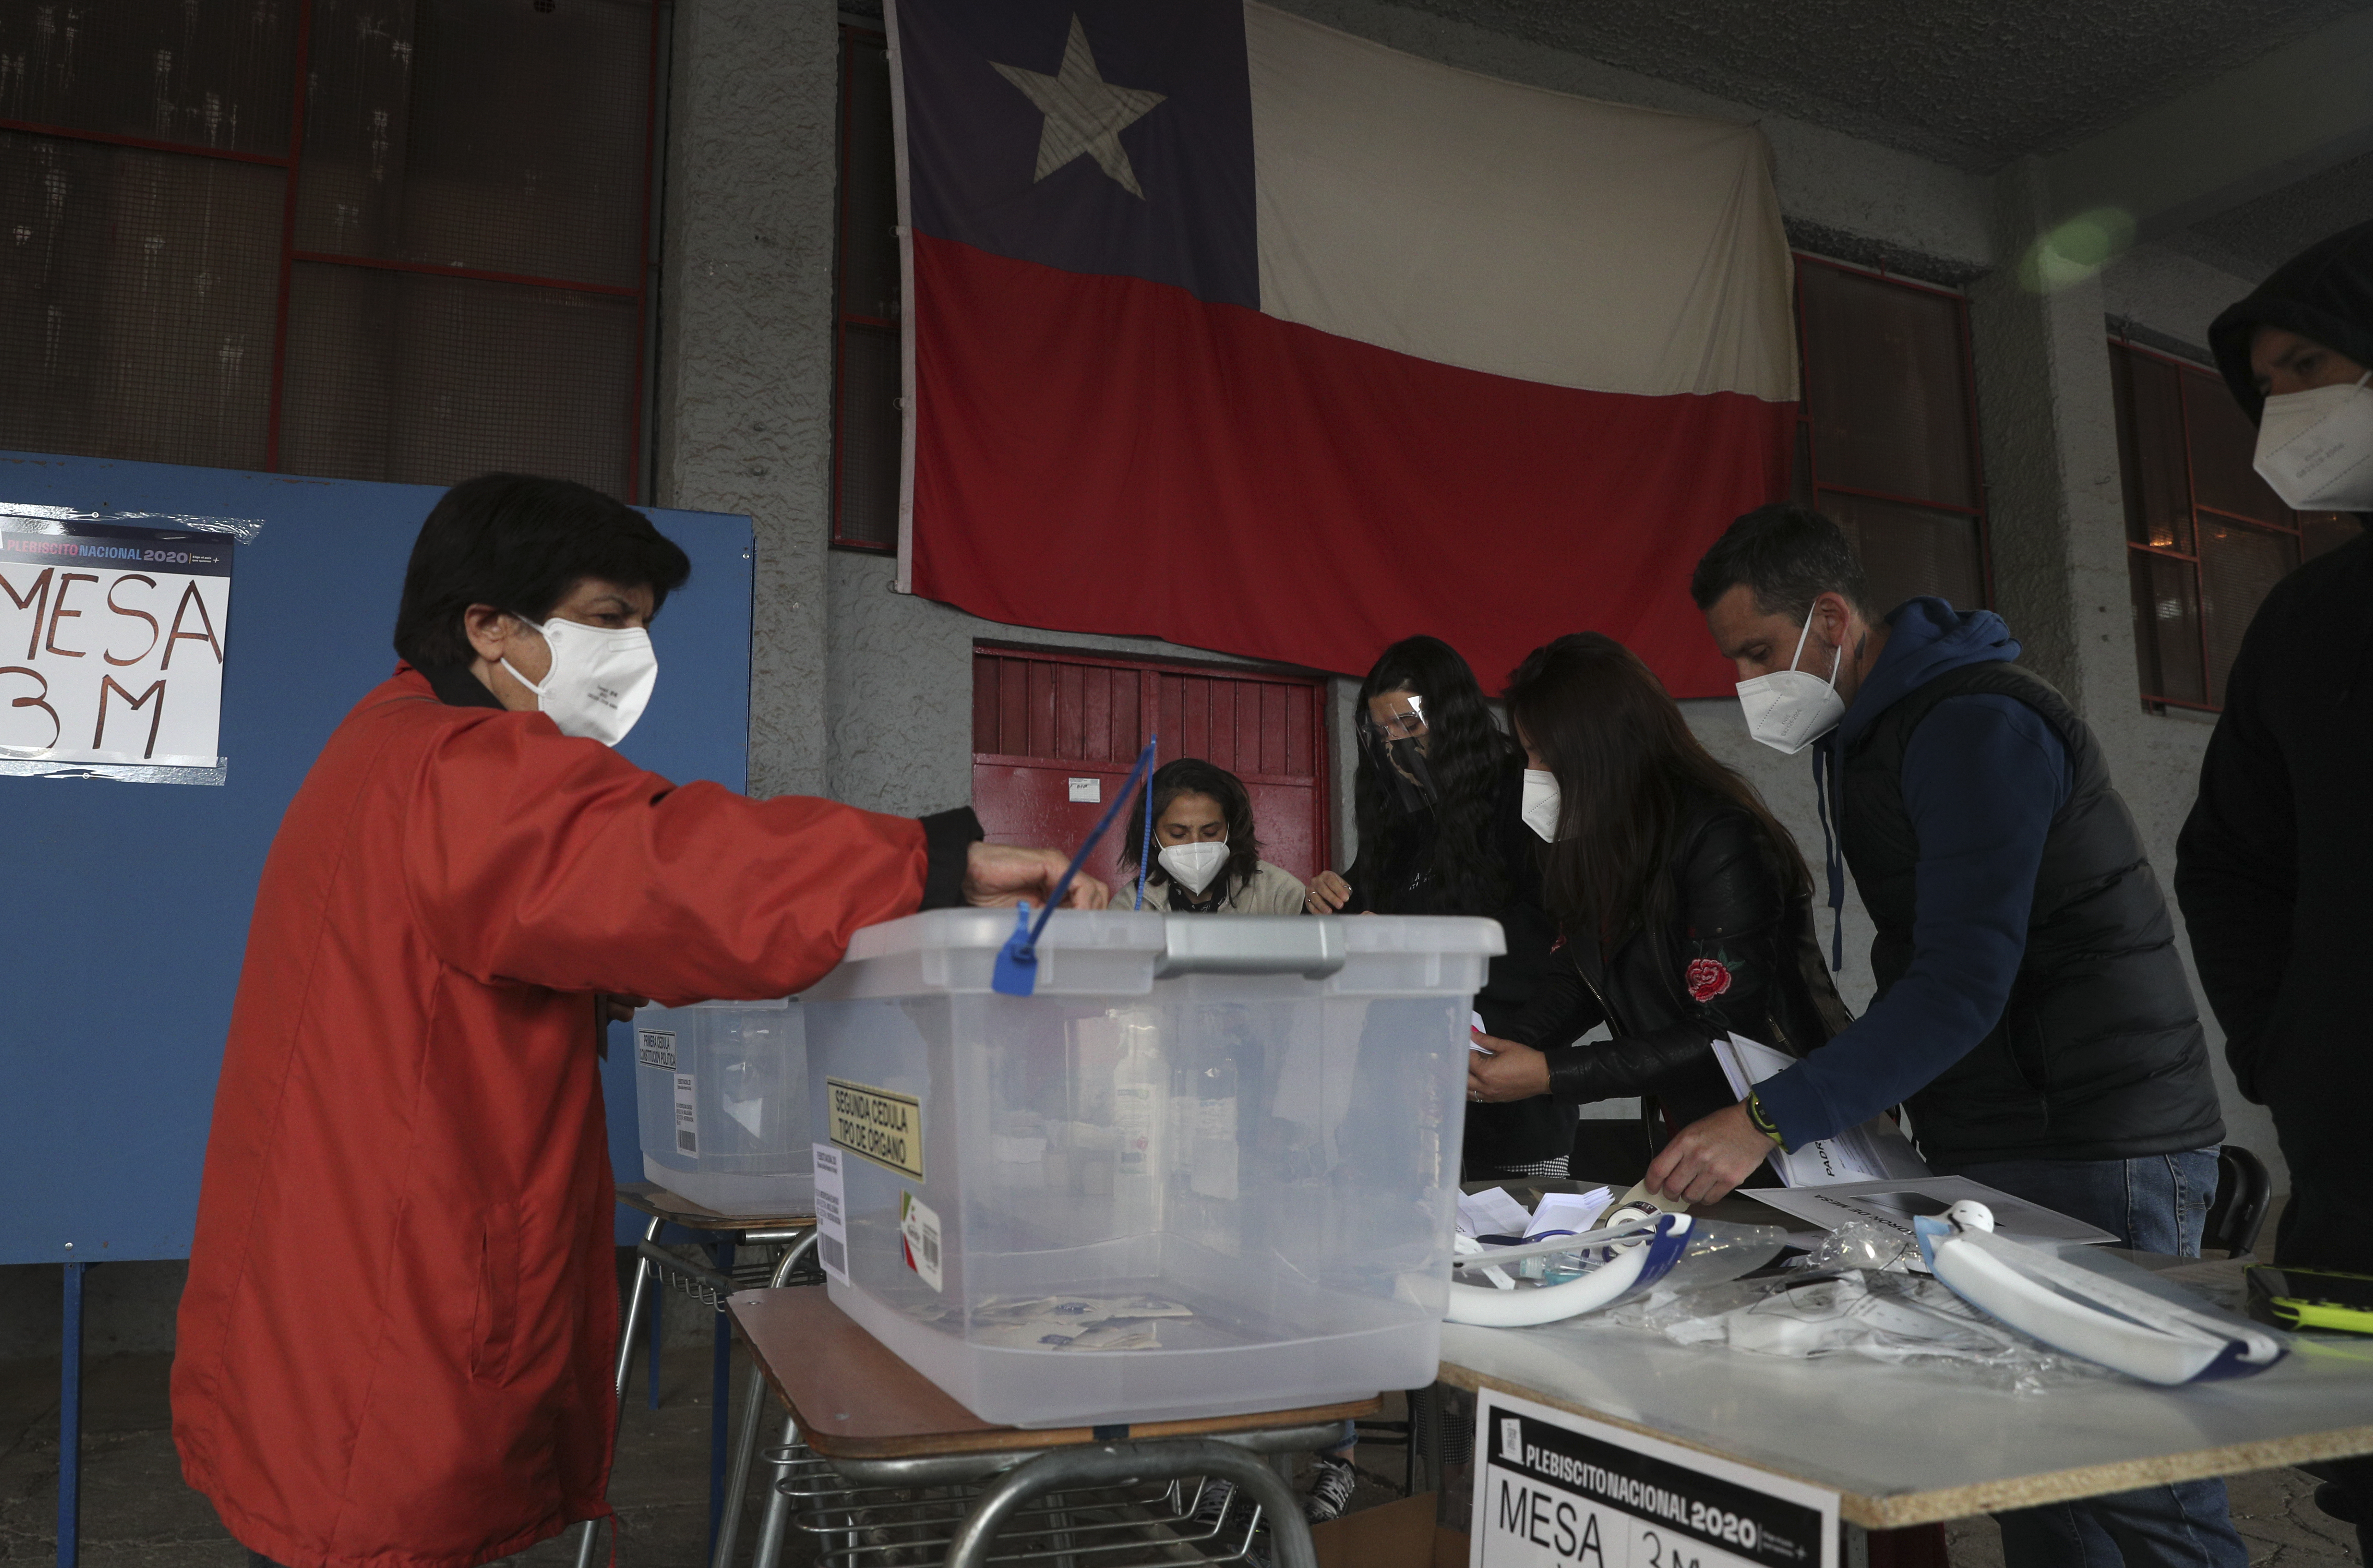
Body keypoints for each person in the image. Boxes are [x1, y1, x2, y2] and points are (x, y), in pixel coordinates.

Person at [170, 475, 1100, 1568]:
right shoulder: (464, 770)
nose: (633, 657)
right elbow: (668, 868)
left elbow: (518, 949)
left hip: (324, 1302)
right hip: (391, 1316)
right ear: (489, 626)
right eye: (609, 620)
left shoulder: (379, 748)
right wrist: (931, 864)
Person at [1662, 504, 2238, 1568]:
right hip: (2008, 1125)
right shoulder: (1881, 731)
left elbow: (1965, 976)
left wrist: (1767, 1116)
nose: (1747, 684)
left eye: (1754, 651)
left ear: (1829, 618)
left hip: (2099, 1135)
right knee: (2034, 1465)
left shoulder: (1975, 724)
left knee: (2140, 1478)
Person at [2177, 218, 2373, 1556]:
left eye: (2310, 366)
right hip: (2359, 1174)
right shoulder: (2307, 622)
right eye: (2267, 387)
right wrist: (2290, 1049)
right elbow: (2228, 864)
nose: (2285, 411)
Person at [1464, 634, 1850, 1152]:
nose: (1531, 776)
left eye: (1543, 756)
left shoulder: (1720, 837)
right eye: (1526, 755)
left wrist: (1551, 1073)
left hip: (1785, 1136)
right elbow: (1580, 975)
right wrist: (1497, 1051)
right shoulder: (1600, 842)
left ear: (1598, 751)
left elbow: (1723, 1031)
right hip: (1691, 1133)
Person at [1304, 635, 1577, 1178]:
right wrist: (1325, 901)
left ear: (1452, 718)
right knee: (1387, 1246)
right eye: (1381, 734)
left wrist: (1416, 942)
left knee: (1509, 1244)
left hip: (1501, 1077)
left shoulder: (1520, 791)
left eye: (1410, 726)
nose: (1395, 748)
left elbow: (1550, 935)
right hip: (1396, 1092)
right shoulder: (1399, 815)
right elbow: (1360, 909)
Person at [1116, 757, 1307, 914]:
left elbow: (1312, 924)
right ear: (1152, 836)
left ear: (1230, 830)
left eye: (1210, 833)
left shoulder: (1273, 889)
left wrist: (1321, 899)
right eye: (1178, 834)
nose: (1196, 845)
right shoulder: (1132, 904)